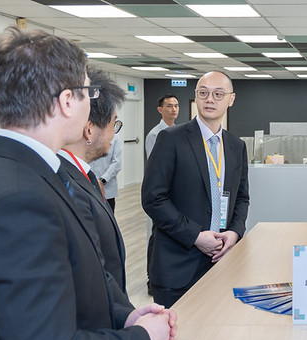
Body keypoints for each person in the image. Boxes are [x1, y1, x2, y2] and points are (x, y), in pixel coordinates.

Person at [0, 27, 176, 340]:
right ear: (68, 101)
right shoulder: (17, 199)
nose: (91, 102)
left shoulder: (26, 171)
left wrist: (124, 316)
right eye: (89, 92)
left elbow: (74, 277)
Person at [142, 71, 250, 308]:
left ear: (231, 99)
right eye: (203, 93)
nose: (210, 99)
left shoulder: (236, 146)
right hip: (177, 266)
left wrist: (234, 232)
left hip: (221, 261)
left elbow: (241, 198)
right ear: (196, 96)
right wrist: (195, 236)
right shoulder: (170, 139)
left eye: (218, 94)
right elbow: (153, 198)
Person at [58, 66, 128, 292]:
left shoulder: (84, 176)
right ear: (89, 130)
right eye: (113, 124)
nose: (114, 134)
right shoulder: (67, 184)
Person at [90, 134, 123, 211]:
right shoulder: (87, 135)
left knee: (108, 215)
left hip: (107, 189)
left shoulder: (115, 137)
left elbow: (117, 164)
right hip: (89, 187)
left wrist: (102, 180)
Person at [145, 93, 179, 159]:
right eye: (169, 106)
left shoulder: (179, 132)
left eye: (176, 106)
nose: (174, 109)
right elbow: (152, 161)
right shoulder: (154, 135)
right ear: (160, 110)